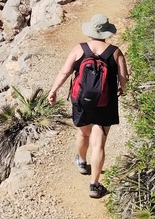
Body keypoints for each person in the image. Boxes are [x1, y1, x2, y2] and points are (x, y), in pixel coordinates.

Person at [47, 14, 129, 199]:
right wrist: (122, 90)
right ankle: (94, 185)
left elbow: (65, 72)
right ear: (107, 32)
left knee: (83, 133)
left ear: (91, 31)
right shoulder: (115, 52)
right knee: (99, 143)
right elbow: (124, 80)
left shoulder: (79, 49)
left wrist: (53, 90)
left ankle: (82, 162)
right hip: (106, 102)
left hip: (82, 101)